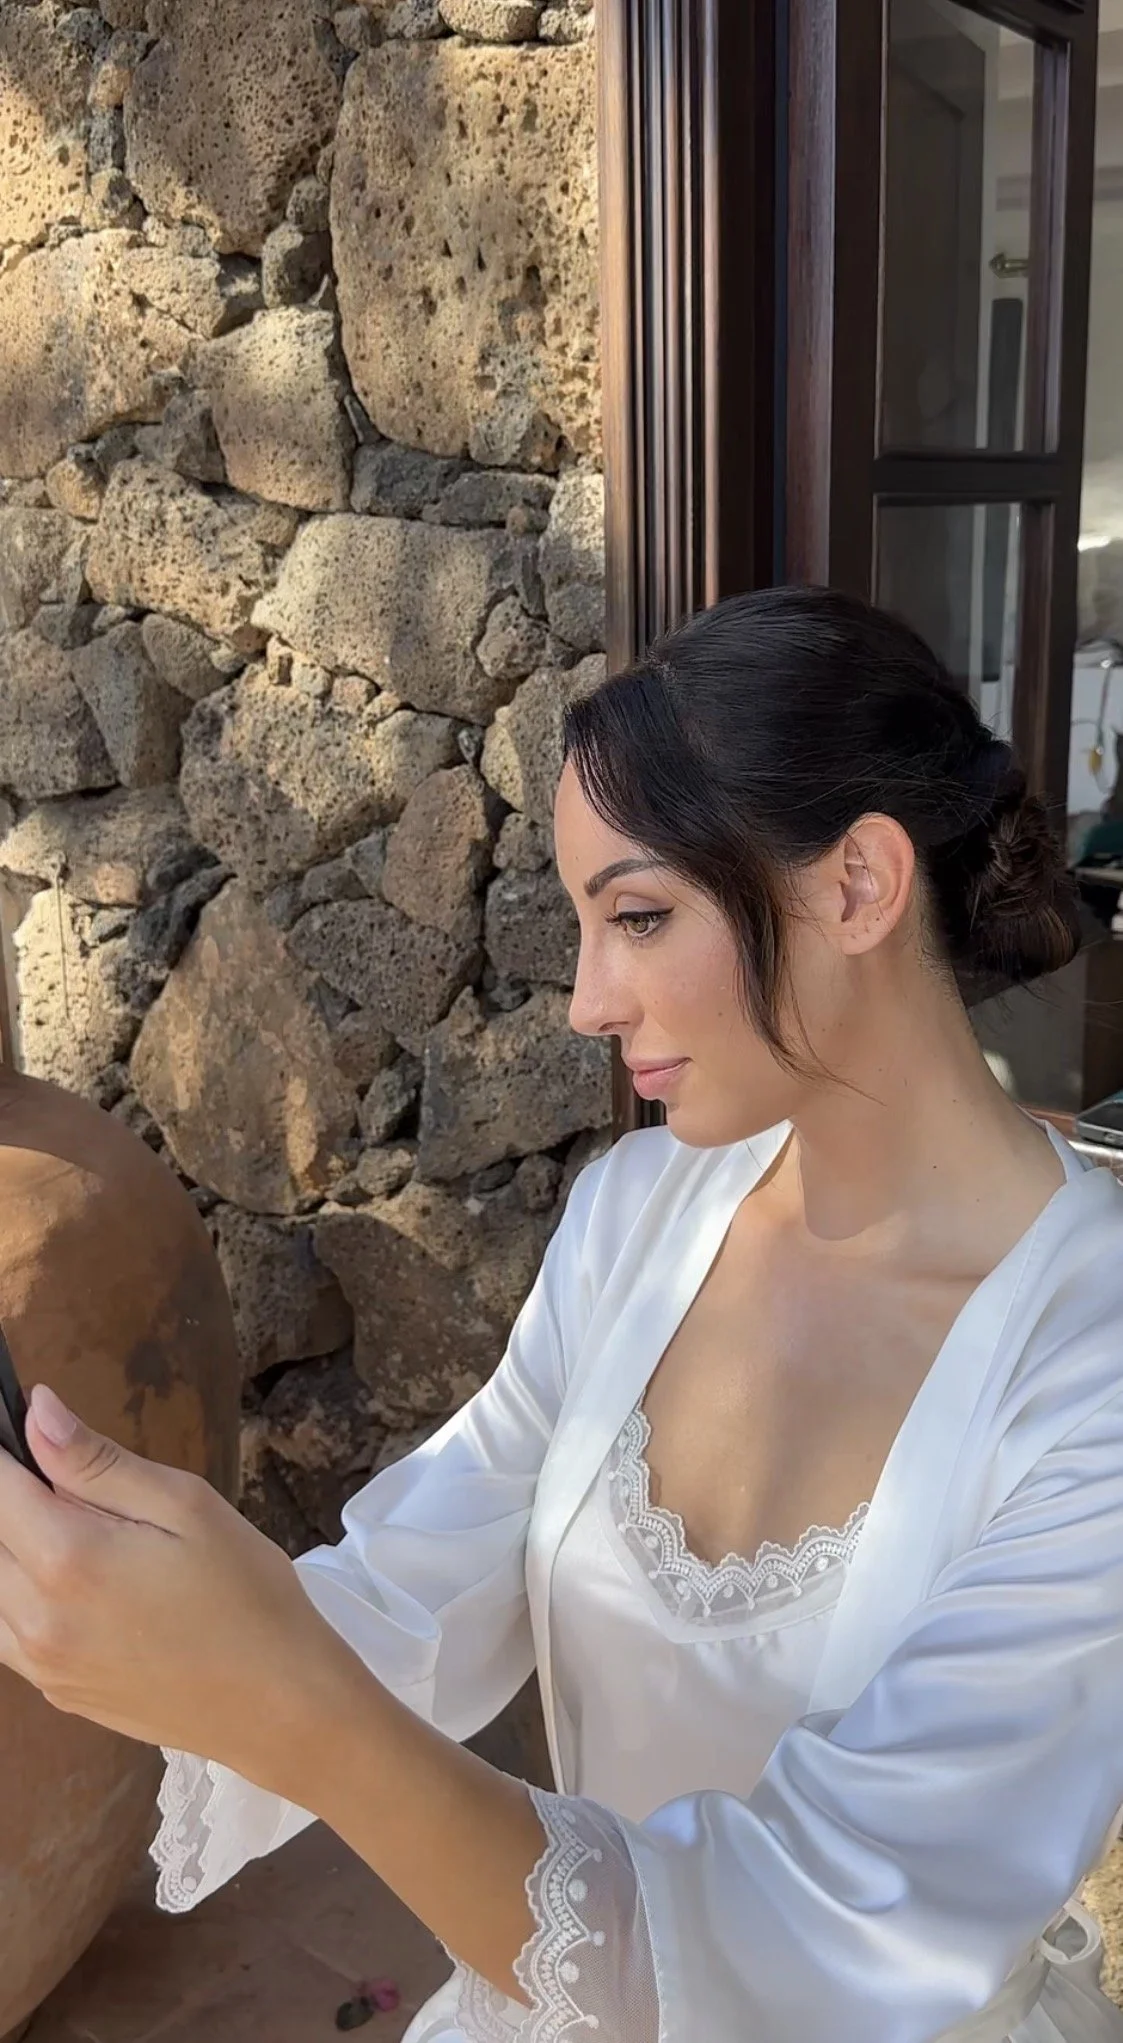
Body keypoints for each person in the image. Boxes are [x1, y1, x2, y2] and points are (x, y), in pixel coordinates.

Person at [1, 586, 1122, 2043]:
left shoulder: (1087, 1358)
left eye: (640, 915)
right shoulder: (638, 1215)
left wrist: (298, 1712)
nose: (587, 999)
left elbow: (821, 1938)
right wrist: (154, 1579)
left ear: (856, 886)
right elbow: (414, 1583)